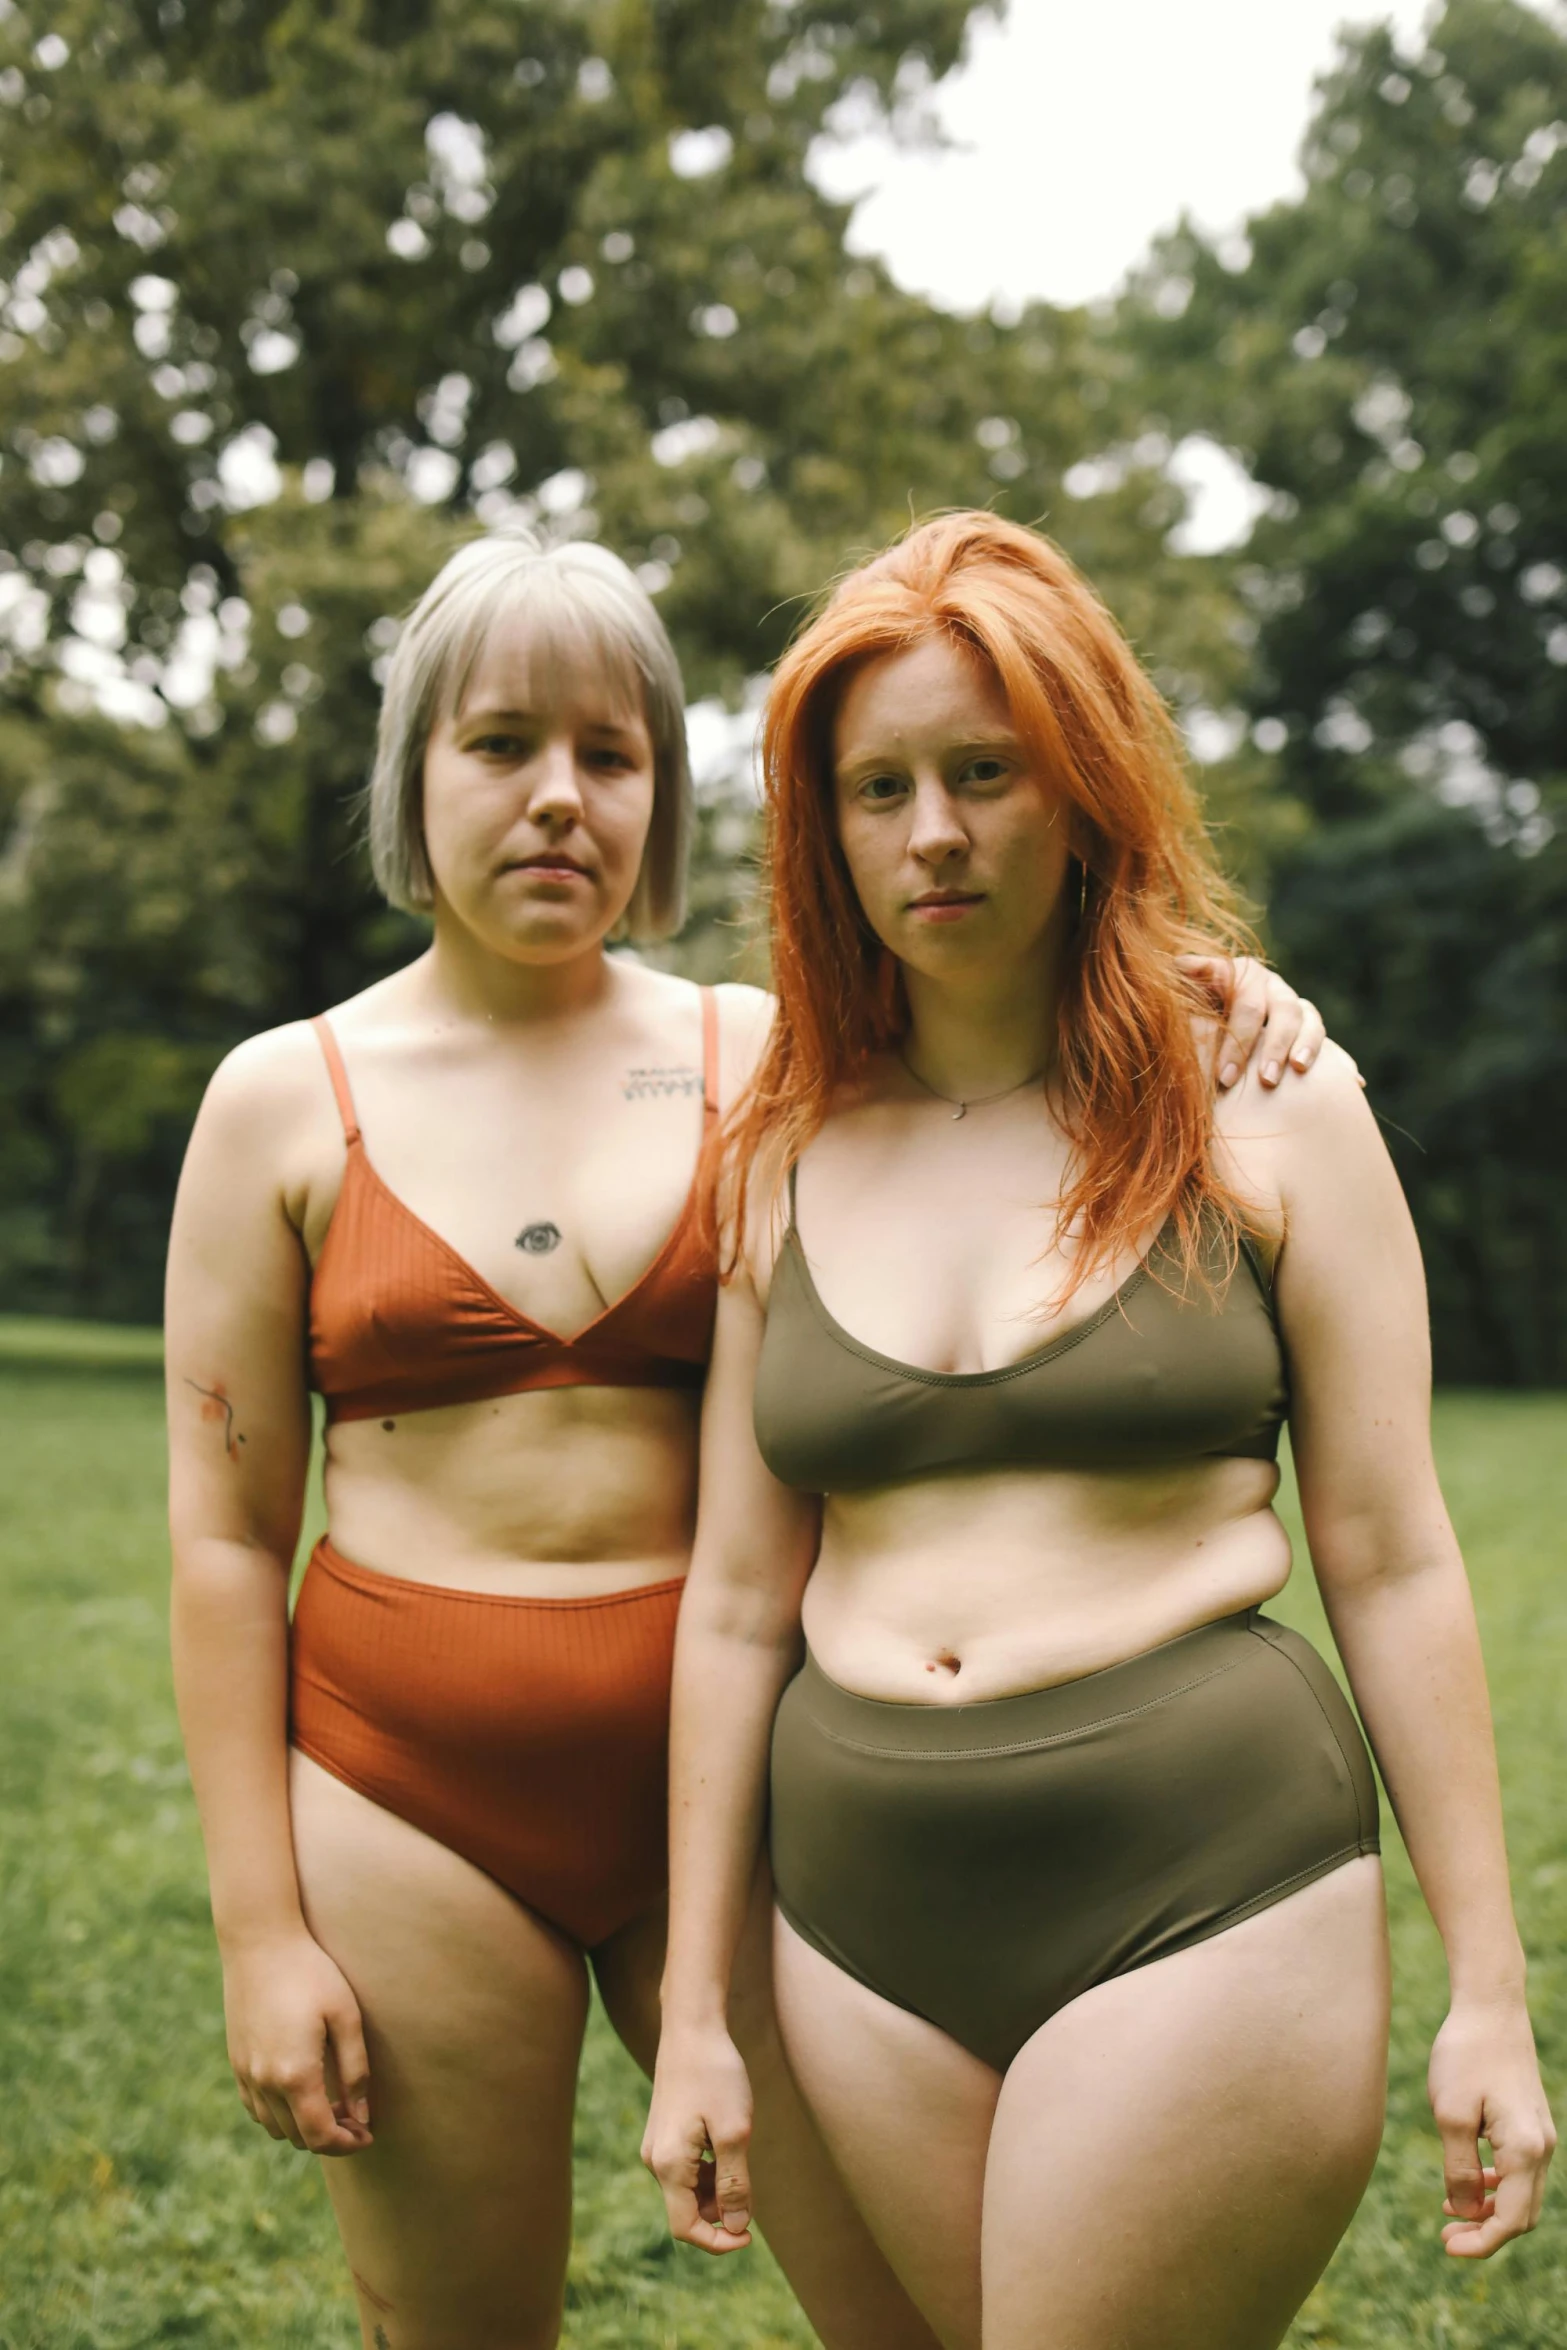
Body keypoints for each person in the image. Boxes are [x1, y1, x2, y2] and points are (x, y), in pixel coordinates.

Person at [165, 526, 1322, 2350]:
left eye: (609, 754)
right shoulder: (278, 1104)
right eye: (498, 744)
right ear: (413, 773)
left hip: (765, 1798)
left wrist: (1227, 995)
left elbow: (1024, 1067)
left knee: (914, 2316)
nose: (558, 798)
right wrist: (259, 1928)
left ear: (667, 795)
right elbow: (224, 1534)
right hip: (406, 1789)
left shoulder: (778, 1069)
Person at [644, 512, 1555, 2350]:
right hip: (856, 1928)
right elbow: (738, 1600)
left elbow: (1387, 1553)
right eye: (877, 786)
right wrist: (690, 2010)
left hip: (1199, 1884)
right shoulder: (780, 1147)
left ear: (1081, 785)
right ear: (820, 828)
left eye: (984, 773)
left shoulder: (1270, 1103)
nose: (934, 834)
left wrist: (1488, 1985)